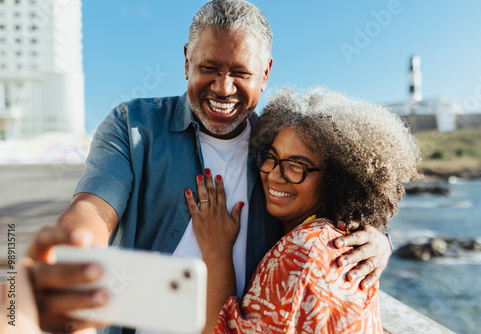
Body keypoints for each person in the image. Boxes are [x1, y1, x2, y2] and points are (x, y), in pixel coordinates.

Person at [27, 1, 393, 333]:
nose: (223, 87)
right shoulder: (132, 125)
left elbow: (338, 198)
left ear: (265, 73)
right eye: (208, 68)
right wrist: (73, 254)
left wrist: (380, 240)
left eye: (240, 72)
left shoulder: (278, 146)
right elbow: (93, 208)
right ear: (186, 60)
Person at [185, 87, 421, 333]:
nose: (275, 175)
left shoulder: (304, 251)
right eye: (271, 157)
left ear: (337, 179)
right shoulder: (333, 239)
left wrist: (216, 251)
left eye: (297, 165)